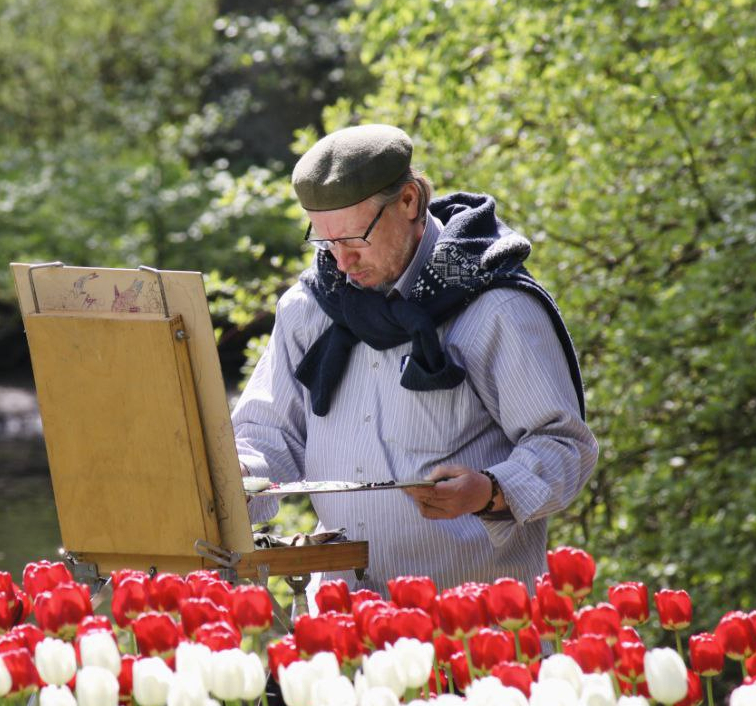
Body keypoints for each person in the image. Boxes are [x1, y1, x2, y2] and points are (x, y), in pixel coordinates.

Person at [232, 124, 598, 599]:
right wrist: (237, 475)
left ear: (408, 201)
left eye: (354, 240)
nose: (340, 263)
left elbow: (564, 445)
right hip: (344, 631)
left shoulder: (495, 306)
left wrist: (490, 489)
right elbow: (267, 436)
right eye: (325, 242)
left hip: (476, 632)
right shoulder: (309, 308)